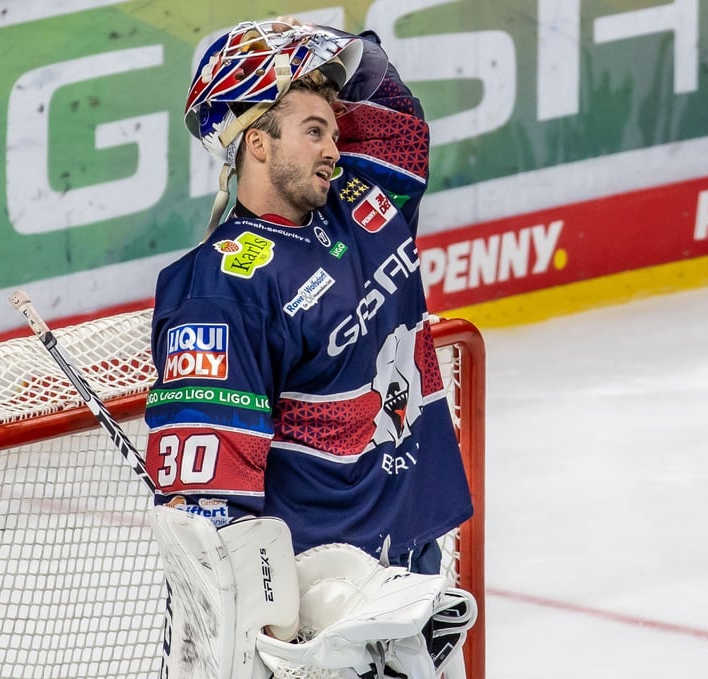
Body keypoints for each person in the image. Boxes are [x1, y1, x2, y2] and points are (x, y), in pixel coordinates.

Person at [144, 17, 473, 578]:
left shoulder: (361, 199)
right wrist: (262, 614)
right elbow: (213, 503)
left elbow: (400, 120)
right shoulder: (220, 287)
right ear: (258, 143)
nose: (333, 147)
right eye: (314, 131)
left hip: (415, 556)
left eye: (336, 133)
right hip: (323, 592)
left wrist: (298, 46)